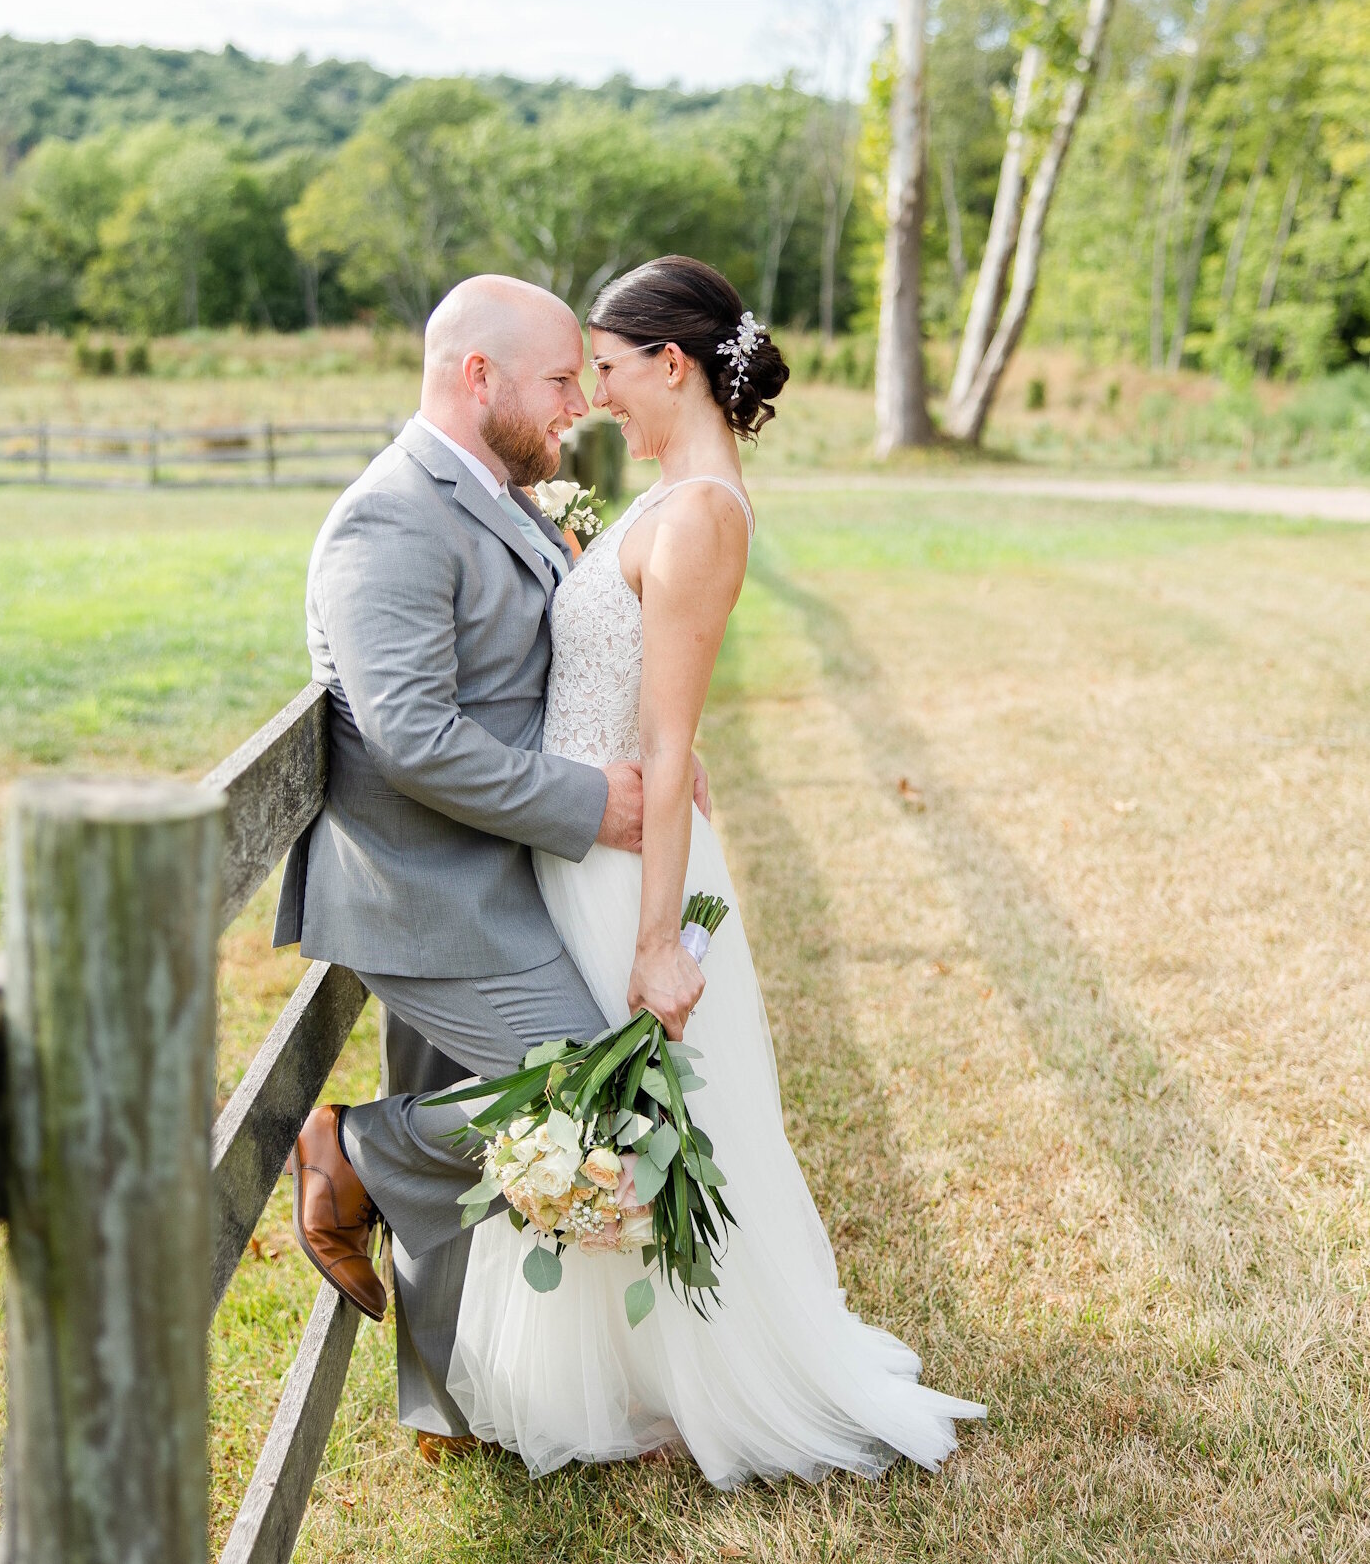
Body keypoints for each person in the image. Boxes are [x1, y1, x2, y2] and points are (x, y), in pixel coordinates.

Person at [446, 256, 985, 1484]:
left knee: (649, 1111)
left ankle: (710, 1382)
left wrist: (655, 943)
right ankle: (631, 1373)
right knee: (614, 1113)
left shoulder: (698, 516)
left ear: (674, 364)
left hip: (621, 870)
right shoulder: (670, 499)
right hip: (587, 840)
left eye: (610, 370)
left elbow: (669, 737)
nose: (597, 397)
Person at [278, 273, 706, 1453]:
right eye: (561, 379)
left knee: (492, 1113)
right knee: (603, 1092)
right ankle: (353, 1151)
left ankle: (453, 1404)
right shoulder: (388, 519)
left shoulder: (498, 496)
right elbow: (413, 738)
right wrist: (592, 804)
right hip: (425, 888)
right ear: (479, 377)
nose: (579, 402)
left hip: (494, 865)